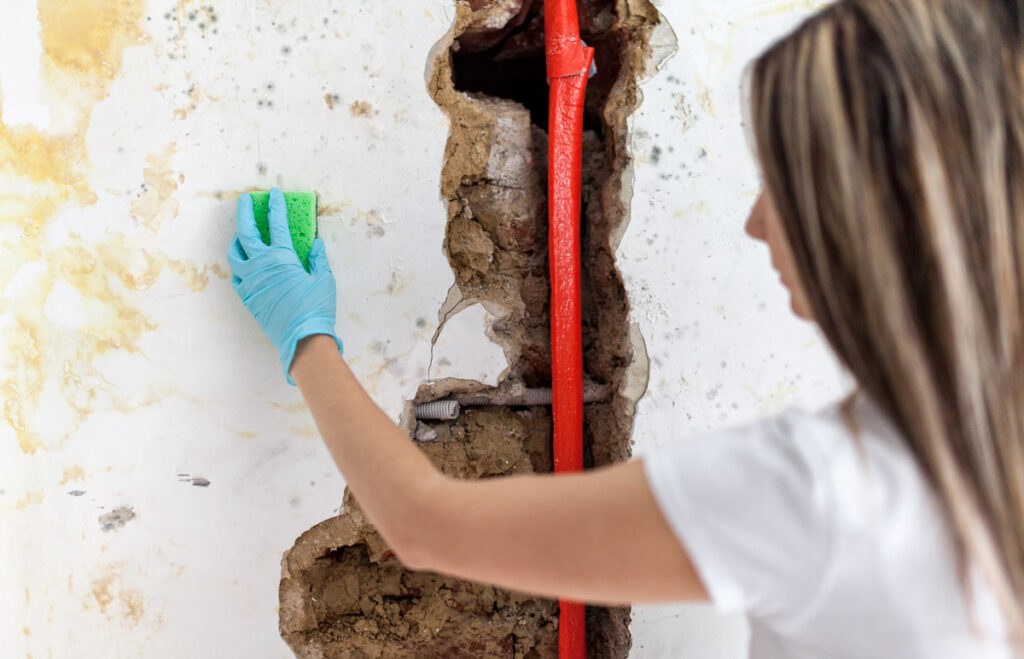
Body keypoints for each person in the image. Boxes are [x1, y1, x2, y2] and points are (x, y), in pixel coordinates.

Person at [226, 0, 1024, 656]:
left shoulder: (821, 488)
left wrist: (306, 336)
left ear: (868, 217)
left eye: (781, 187)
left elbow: (425, 524)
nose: (754, 224)